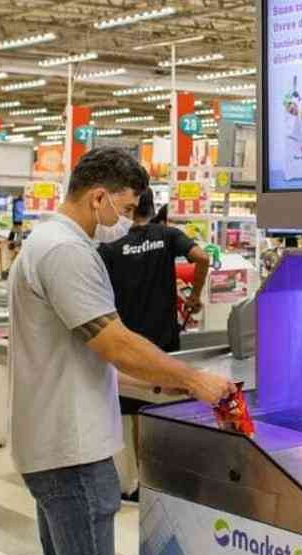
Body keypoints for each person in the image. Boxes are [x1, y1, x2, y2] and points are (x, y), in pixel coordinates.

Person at [8, 146, 237, 555]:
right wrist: (194, 380)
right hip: (72, 453)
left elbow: (86, 354)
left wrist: (158, 380)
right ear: (98, 198)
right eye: (127, 208)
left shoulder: (45, 242)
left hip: (48, 443)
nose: (129, 221)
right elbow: (114, 342)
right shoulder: (67, 251)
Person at [99, 187, 211, 501]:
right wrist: (194, 295)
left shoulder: (110, 245)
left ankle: (132, 482)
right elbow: (202, 257)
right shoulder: (167, 235)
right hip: (164, 338)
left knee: (128, 408)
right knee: (166, 406)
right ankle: (164, 477)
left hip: (126, 340)